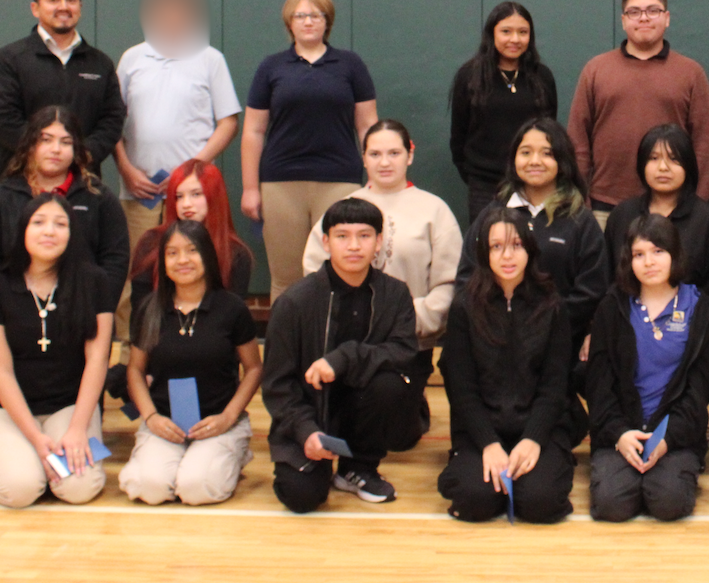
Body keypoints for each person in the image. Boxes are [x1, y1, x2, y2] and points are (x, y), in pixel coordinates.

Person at [262, 198, 424, 513]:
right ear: (326, 242)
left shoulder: (395, 294)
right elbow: (277, 386)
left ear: (379, 241)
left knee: (390, 383)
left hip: (363, 409)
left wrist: (343, 358)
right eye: (342, 236)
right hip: (309, 413)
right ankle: (318, 462)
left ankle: (358, 467)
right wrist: (306, 432)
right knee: (301, 497)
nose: (354, 246)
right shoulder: (294, 302)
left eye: (364, 236)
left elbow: (403, 351)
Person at [304, 120, 463, 429]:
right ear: (363, 158)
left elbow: (449, 283)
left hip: (408, 343)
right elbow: (315, 272)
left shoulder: (434, 210)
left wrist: (410, 323)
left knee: (397, 430)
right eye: (375, 154)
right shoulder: (343, 209)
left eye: (394, 153)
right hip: (346, 342)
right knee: (341, 423)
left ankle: (413, 405)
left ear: (410, 155)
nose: (385, 162)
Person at [112, 0, 241, 334]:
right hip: (140, 192)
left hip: (191, 192)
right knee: (137, 275)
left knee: (195, 268)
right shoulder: (132, 59)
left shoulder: (210, 59)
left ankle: (195, 343)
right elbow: (111, 122)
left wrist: (192, 169)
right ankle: (133, 351)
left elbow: (228, 122)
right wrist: (125, 168)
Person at [0, 193, 116, 508]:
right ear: (23, 230)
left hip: (69, 407)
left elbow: (97, 361)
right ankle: (32, 465)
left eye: (60, 224)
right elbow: (0, 371)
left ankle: (50, 466)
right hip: (9, 410)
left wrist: (77, 429)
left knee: (79, 488)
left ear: (72, 233)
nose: (49, 231)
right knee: (19, 490)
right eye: (39, 222)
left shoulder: (94, 281)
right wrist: (36, 439)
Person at [438, 207, 577, 524]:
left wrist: (533, 439)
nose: (507, 256)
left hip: (539, 428)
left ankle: (548, 466)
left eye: (516, 245)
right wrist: (488, 443)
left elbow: (555, 386)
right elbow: (462, 390)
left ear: (530, 249)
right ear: (483, 253)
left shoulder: (552, 305)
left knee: (540, 503)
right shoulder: (464, 307)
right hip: (482, 430)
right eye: (496, 246)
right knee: (476, 500)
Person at [241, 0, 379, 301]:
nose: (308, 21)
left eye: (316, 15)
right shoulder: (271, 67)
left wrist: (374, 179)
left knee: (340, 272)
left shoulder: (350, 65)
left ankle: (337, 335)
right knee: (286, 278)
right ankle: (285, 336)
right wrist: (250, 188)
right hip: (281, 184)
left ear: (327, 21)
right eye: (300, 15)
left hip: (340, 181)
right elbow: (253, 131)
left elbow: (367, 125)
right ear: (289, 22)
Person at [587, 214, 709, 522]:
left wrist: (668, 439)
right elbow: (598, 384)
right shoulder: (612, 307)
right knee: (611, 505)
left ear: (675, 254)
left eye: (658, 251)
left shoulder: (702, 310)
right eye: (639, 254)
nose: (649, 262)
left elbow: (698, 392)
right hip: (622, 429)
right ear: (628, 260)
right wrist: (620, 434)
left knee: (668, 502)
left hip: (674, 435)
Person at [119, 221, 263, 506]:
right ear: (163, 262)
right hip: (165, 422)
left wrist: (228, 417)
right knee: (149, 488)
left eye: (192, 250)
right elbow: (135, 369)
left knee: (196, 488)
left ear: (207, 255)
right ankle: (180, 462)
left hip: (217, 422)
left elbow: (254, 369)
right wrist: (151, 417)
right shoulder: (150, 309)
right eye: (172, 253)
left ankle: (229, 455)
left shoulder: (232, 308)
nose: (182, 260)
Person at [454, 118, 609, 358]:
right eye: (525, 152)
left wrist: (545, 330)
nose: (535, 161)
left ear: (562, 160)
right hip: (495, 345)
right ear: (513, 159)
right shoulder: (491, 216)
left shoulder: (581, 221)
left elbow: (592, 290)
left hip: (561, 348)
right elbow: (467, 279)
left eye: (547, 153)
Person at [569, 0, 709, 226]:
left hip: (673, 208)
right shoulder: (595, 70)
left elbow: (706, 144)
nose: (644, 18)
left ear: (667, 18)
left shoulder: (691, 73)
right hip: (604, 206)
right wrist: (581, 200)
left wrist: (696, 205)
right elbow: (578, 141)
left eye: (653, 10)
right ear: (623, 20)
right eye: (634, 12)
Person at [0, 106, 129, 294]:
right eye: (46, 140)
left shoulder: (99, 197)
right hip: (15, 306)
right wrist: (5, 304)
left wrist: (94, 304)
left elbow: (115, 260)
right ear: (30, 144)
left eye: (66, 142)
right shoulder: (1, 198)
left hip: (84, 307)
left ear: (76, 149)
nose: (56, 149)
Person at [0, 0, 126, 177]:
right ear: (35, 8)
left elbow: (112, 119)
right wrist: (48, 155)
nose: (63, 7)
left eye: (71, 0)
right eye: (53, 0)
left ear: (80, 8)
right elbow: (3, 119)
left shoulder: (100, 63)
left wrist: (80, 155)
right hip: (23, 182)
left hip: (83, 181)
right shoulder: (10, 59)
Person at [449, 1, 559, 224]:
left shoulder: (542, 76)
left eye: (523, 32)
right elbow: (458, 137)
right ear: (492, 34)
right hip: (485, 187)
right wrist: (476, 174)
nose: (515, 39)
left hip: (533, 181)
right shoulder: (470, 76)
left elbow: (550, 130)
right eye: (506, 31)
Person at [603, 124, 709, 306]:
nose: (663, 167)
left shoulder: (708, 220)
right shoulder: (622, 215)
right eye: (654, 158)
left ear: (688, 164)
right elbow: (607, 280)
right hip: (627, 318)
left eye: (674, 159)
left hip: (692, 320)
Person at [128, 160, 254, 313]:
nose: (186, 204)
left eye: (196, 194)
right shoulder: (152, 242)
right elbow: (140, 310)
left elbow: (233, 315)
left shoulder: (236, 253)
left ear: (214, 196)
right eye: (179, 196)